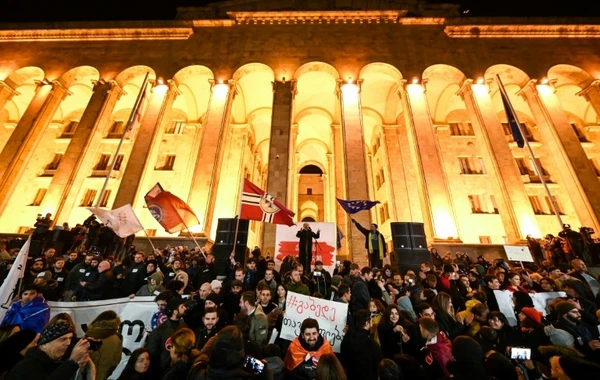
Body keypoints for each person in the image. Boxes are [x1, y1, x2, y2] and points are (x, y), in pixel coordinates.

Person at [6, 322, 92, 379]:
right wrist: (72, 362)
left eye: (70, 339)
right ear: (45, 343)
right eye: (63, 339)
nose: (68, 343)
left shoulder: (54, 363)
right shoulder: (28, 365)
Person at [340, 309, 384, 380]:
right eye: (371, 320)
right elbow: (380, 365)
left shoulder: (346, 339)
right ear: (367, 323)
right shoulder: (372, 344)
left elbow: (343, 361)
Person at [85, 310, 123, 380]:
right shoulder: (118, 338)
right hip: (106, 375)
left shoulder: (91, 336)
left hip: (89, 375)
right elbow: (117, 360)